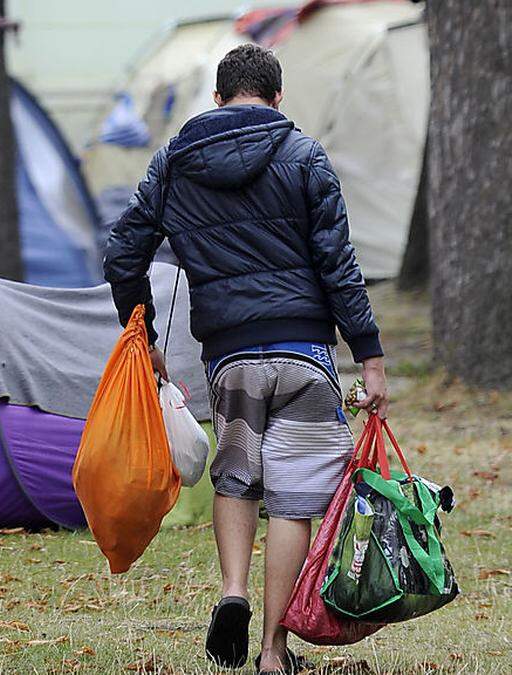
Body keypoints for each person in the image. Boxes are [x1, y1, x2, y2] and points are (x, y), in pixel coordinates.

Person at [103, 44, 389, 674]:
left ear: (217, 98)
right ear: (278, 97)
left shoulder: (175, 162)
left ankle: (233, 592)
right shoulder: (303, 155)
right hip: (305, 355)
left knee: (236, 476)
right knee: (291, 502)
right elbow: (338, 265)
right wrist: (367, 353)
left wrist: (143, 331)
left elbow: (123, 253)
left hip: (229, 358)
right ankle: (272, 652)